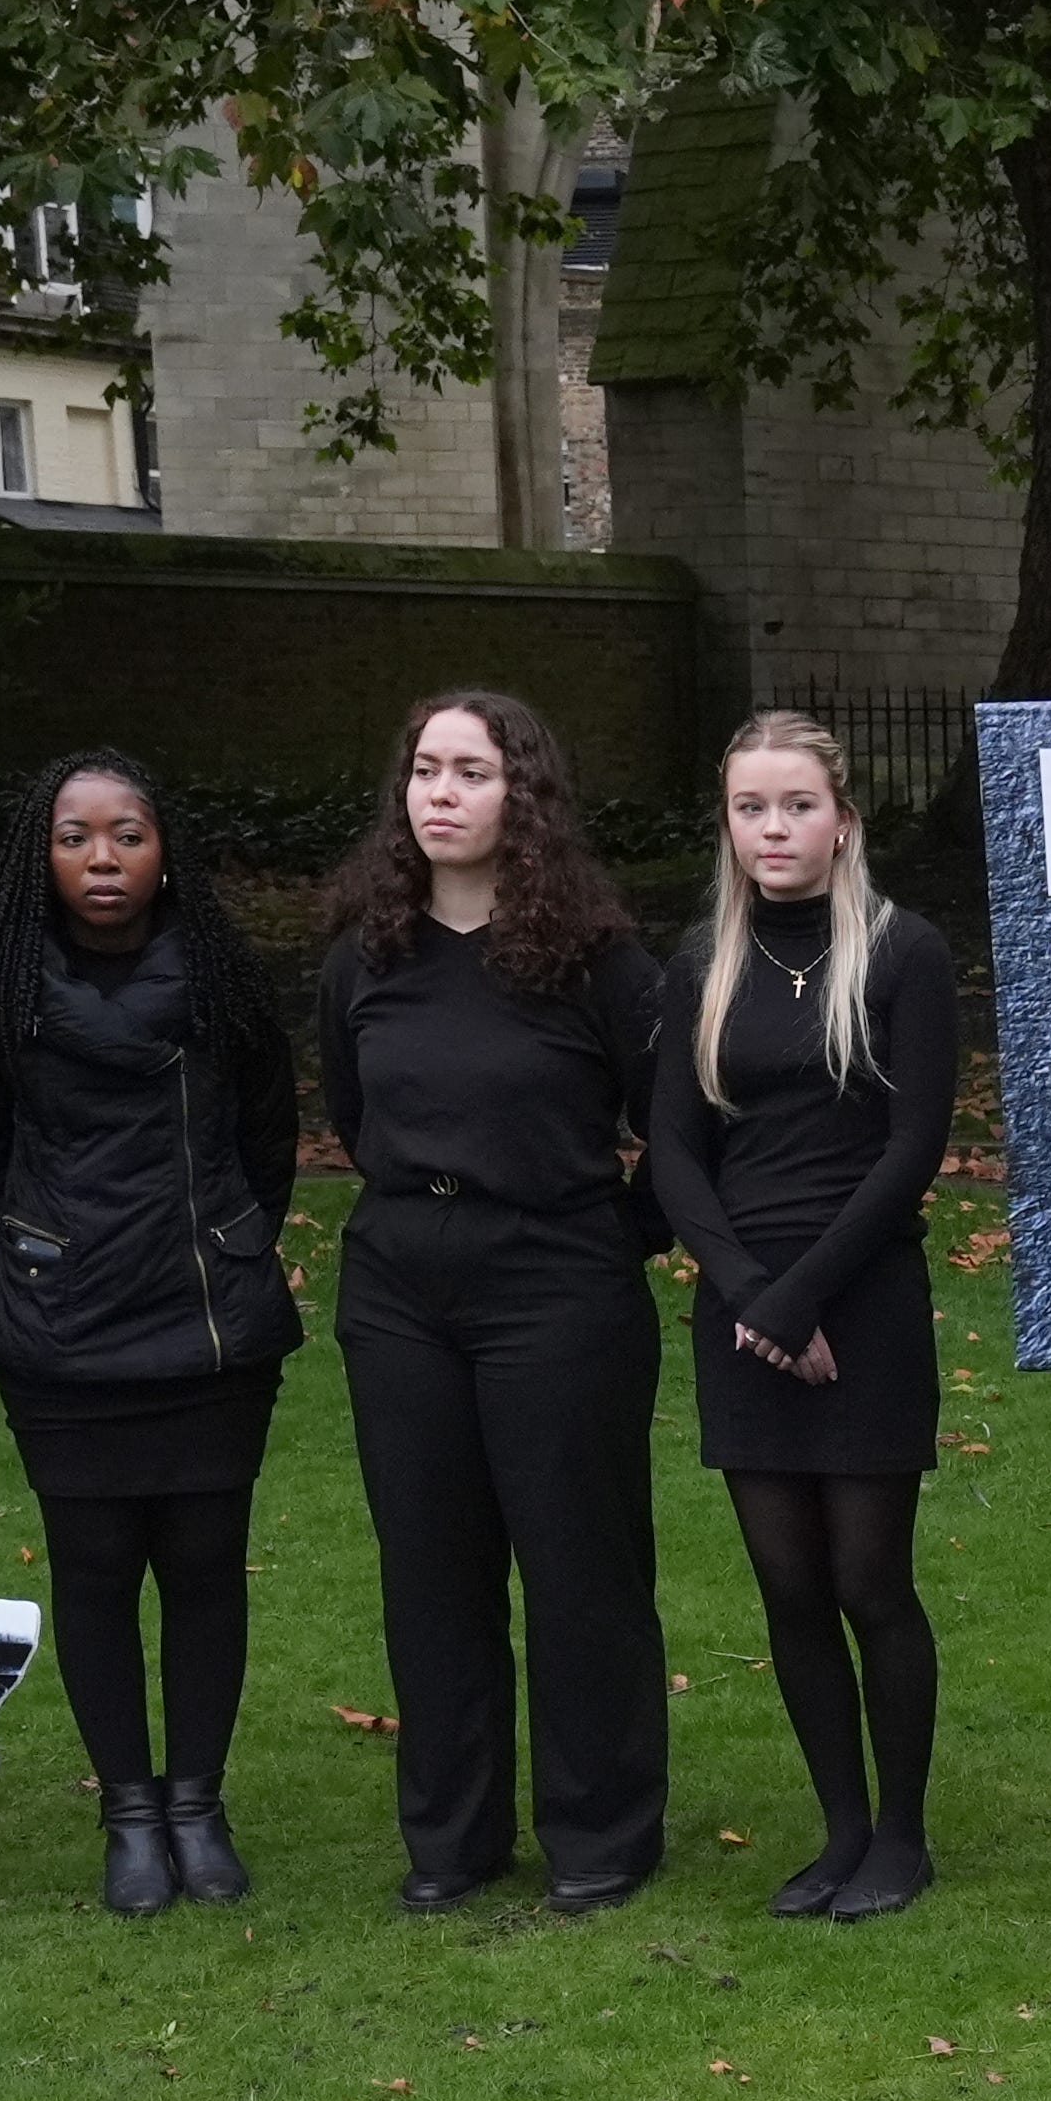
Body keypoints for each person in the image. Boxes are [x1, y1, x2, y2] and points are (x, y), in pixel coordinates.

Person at [317, 689, 675, 1913]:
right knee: (431, 1569)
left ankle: (601, 1834)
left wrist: (600, 1237)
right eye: (425, 770)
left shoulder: (601, 961)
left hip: (559, 1284)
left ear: (523, 794)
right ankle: (453, 1841)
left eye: (471, 772)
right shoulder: (367, 956)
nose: (442, 793)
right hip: (402, 1287)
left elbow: (676, 1131)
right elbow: (355, 1119)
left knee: (579, 1568)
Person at [0, 752, 305, 1914]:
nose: (104, 859)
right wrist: (47, 1250)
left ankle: (197, 1803)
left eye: (129, 834)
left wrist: (225, 1238)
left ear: (166, 852)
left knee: (204, 1566)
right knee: (96, 1571)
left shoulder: (224, 985)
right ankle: (131, 1816)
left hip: (209, 1325)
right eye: (75, 837)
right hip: (63, 1329)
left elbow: (268, 1138)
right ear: (38, 857)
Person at [647, 712, 965, 1919]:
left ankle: (902, 1834)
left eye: (796, 806)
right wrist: (747, 1293)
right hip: (742, 1310)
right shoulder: (701, 964)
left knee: (870, 1576)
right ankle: (837, 1829)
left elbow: (912, 1147)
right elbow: (675, 1148)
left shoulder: (901, 952)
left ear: (844, 822)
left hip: (862, 1293)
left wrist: (802, 1294)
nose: (773, 829)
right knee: (788, 1585)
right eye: (749, 809)